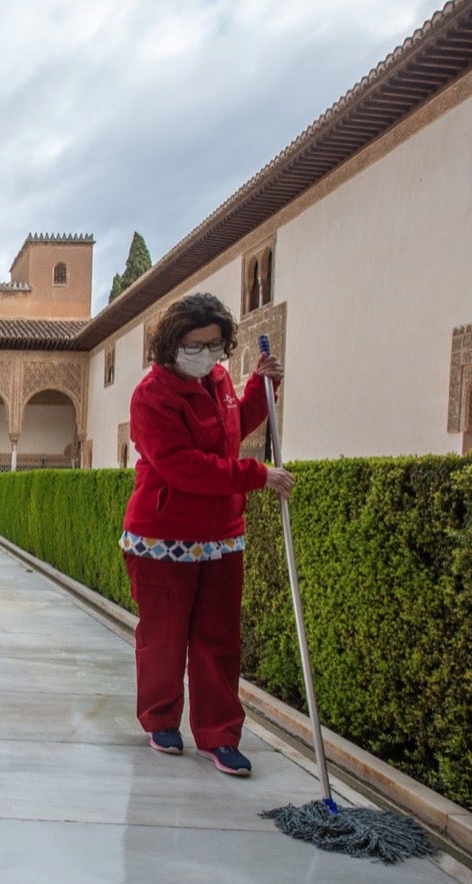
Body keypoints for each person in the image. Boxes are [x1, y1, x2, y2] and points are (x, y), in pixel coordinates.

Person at [120, 292, 291, 777]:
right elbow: (182, 466)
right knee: (165, 638)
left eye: (214, 344)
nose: (206, 353)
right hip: (163, 537)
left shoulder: (218, 382)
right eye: (195, 344)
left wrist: (261, 387)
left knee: (219, 640)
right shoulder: (151, 395)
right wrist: (255, 475)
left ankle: (219, 735)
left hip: (221, 536)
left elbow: (235, 427)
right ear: (172, 344)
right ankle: (161, 720)